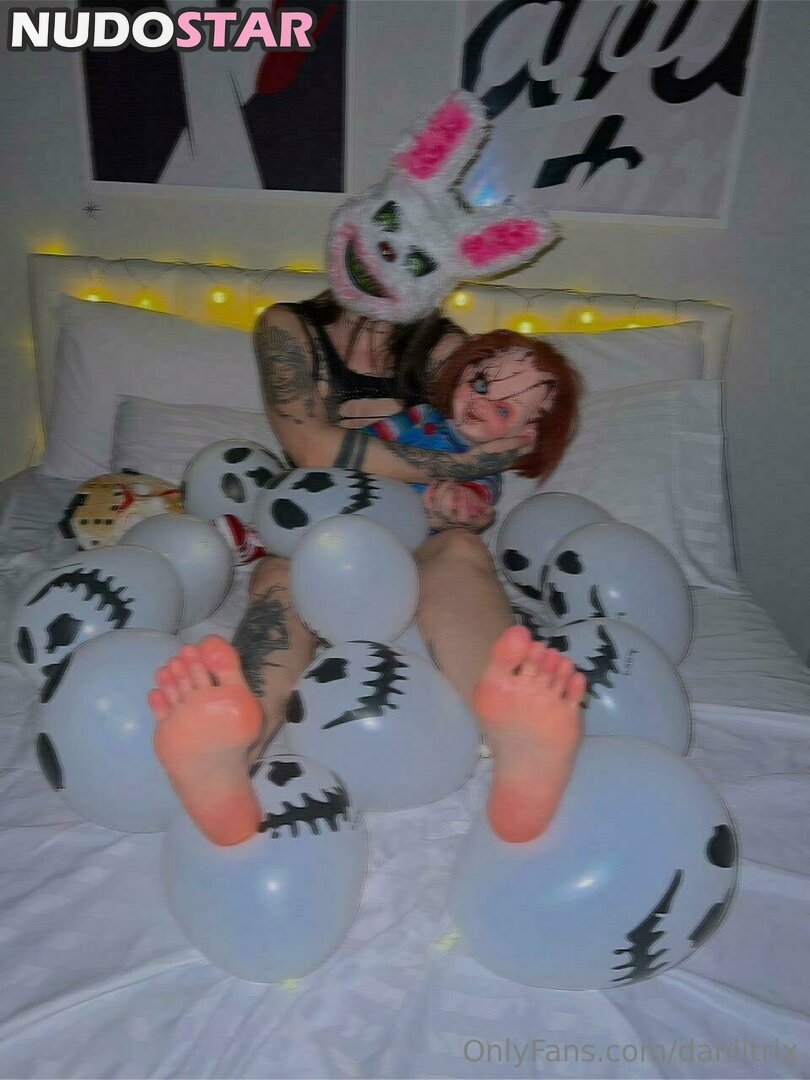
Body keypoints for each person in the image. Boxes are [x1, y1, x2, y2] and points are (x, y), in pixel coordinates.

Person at [149, 90, 586, 848]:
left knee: (460, 552)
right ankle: (230, 749)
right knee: (282, 580)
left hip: (416, 546)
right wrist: (451, 462)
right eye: (384, 230)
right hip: (313, 535)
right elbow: (314, 451)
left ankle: (518, 739)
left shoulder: (449, 351)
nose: (383, 262)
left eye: (414, 258)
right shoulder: (286, 329)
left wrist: (467, 496)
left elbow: (482, 455)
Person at [364, 329, 581, 530]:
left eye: (502, 410)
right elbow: (364, 443)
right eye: (481, 386)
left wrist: (457, 505)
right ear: (465, 373)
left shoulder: (485, 477)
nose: (481, 403)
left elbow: (470, 504)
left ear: (525, 437)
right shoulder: (420, 415)